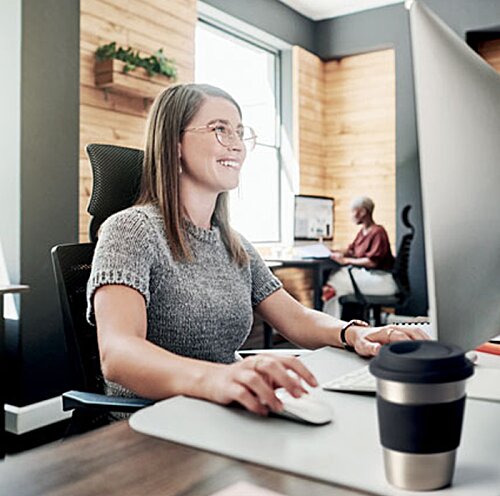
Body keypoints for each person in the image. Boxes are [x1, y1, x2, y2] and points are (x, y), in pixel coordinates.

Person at [87, 84, 427, 418]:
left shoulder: (234, 244)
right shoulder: (131, 230)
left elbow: (297, 319)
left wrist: (355, 333)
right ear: (174, 143)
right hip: (157, 423)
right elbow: (119, 354)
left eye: (239, 132)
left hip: (225, 412)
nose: (237, 146)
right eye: (220, 130)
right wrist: (218, 377)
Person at [322, 196, 398, 319]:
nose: (351, 215)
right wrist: (332, 251)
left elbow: (372, 262)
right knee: (335, 285)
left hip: (382, 279)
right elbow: (351, 251)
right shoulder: (363, 232)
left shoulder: (378, 232)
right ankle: (335, 324)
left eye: (353, 211)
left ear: (362, 212)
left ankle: (331, 325)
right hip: (370, 276)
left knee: (335, 282)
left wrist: (346, 261)